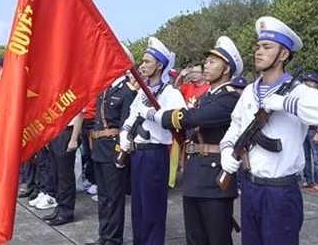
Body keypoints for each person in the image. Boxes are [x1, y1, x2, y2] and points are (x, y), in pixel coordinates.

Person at [220, 16, 318, 245]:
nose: (259, 51)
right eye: (258, 46)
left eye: (267, 47)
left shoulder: (298, 92)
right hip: (250, 188)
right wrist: (227, 150)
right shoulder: (249, 91)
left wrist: (285, 103)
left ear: (284, 54)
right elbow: (235, 126)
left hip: (280, 192)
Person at [149, 36, 243, 245]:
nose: (206, 66)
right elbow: (189, 129)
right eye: (206, 61)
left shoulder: (229, 98)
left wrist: (160, 116)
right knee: (195, 239)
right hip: (194, 175)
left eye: (212, 62)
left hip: (214, 176)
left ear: (226, 69)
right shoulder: (204, 97)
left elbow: (194, 118)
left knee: (217, 239)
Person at [119, 37, 186, 245]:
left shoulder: (169, 92)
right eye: (143, 61)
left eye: (148, 61)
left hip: (155, 153)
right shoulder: (142, 92)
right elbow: (131, 116)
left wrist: (151, 114)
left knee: (152, 210)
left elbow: (179, 118)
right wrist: (125, 134)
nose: (143, 65)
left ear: (160, 65)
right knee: (138, 209)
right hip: (138, 153)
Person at [87, 45, 137, 245]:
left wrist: (121, 153)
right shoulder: (105, 89)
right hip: (99, 148)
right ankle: (104, 235)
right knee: (104, 196)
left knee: (115, 198)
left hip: (113, 150)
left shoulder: (127, 91)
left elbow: (126, 126)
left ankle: (114, 239)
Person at [301, 72, 318, 193]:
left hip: (314, 129)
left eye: (311, 82)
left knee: (316, 157)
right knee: (305, 156)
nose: (309, 84)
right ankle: (308, 179)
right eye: (306, 82)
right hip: (304, 128)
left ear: (317, 84)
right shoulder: (303, 96)